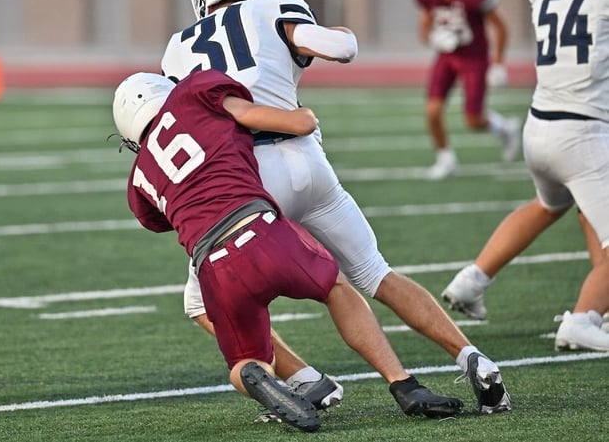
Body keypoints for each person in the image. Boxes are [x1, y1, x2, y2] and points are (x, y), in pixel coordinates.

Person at [161, 0, 511, 415]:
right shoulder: (273, 5)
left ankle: (305, 379)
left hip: (249, 178)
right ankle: (473, 357)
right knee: (375, 271)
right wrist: (341, 32)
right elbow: (340, 48)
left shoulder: (179, 47)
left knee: (200, 303)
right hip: (309, 159)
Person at [113, 69, 464, 432]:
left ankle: (261, 374)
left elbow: (157, 218)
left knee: (246, 360)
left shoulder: (138, 179)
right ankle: (402, 383)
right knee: (337, 288)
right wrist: (305, 117)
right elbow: (276, 120)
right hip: (263, 231)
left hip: (213, 268)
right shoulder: (193, 94)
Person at [442, 0, 609, 351]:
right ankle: (583, 319)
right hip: (583, 133)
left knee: (551, 204)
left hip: (540, 125)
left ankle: (472, 281)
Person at [416, 0, 520, 180]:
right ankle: (445, 159)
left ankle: (505, 129)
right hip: (447, 57)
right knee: (432, 110)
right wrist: (433, 38)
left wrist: (498, 64)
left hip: (474, 58)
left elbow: (500, 27)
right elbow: (424, 28)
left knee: (473, 119)